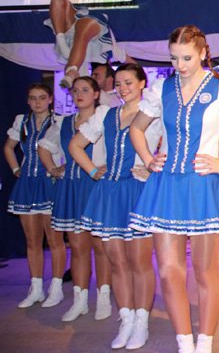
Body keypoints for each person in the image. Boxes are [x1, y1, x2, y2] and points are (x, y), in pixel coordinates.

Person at [128, 25, 219, 353]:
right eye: (174, 58)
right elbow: (136, 129)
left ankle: (204, 343)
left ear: (203, 53)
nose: (180, 65)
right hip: (166, 186)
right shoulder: (162, 88)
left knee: (206, 272)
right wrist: (148, 159)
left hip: (205, 186)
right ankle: (184, 343)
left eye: (187, 58)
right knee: (169, 271)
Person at [69, 63, 160, 350]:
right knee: (117, 262)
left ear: (142, 83)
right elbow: (75, 145)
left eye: (128, 82)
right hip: (109, 193)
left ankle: (142, 323)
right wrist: (93, 171)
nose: (122, 88)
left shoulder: (155, 113)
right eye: (118, 83)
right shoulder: (105, 114)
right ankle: (127, 319)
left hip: (138, 192)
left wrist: (153, 168)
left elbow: (174, 144)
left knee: (140, 263)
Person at [37, 76, 113, 321]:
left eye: (85, 90)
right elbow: (43, 147)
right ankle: (80, 301)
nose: (79, 94)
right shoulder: (63, 122)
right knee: (79, 248)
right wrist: (53, 169)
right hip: (70, 187)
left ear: (96, 94)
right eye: (75, 90)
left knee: (100, 246)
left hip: (95, 186)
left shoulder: (105, 117)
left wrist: (105, 168)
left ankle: (103, 297)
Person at [4, 83, 66, 309]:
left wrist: (61, 168)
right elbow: (8, 147)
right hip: (27, 184)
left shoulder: (60, 121)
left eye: (41, 97)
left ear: (50, 99)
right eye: (33, 98)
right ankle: (36, 288)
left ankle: (56, 288)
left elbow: (72, 148)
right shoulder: (22, 121)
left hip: (50, 183)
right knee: (32, 240)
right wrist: (15, 169)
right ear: (28, 100)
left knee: (55, 239)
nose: (37, 102)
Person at [45, 0, 128, 88]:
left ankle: (71, 70)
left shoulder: (85, 65)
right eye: (96, 75)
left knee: (82, 30)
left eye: (94, 75)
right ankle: (62, 44)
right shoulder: (113, 54)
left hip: (77, 31)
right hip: (84, 21)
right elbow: (133, 65)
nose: (95, 76)